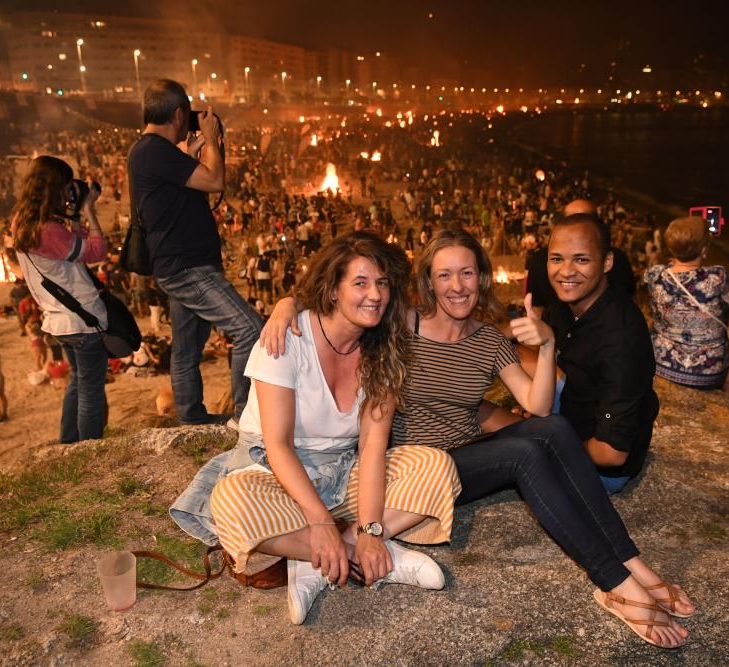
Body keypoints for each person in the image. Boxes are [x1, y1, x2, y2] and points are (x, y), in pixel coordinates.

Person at [263, 230, 694, 648]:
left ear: (482, 278)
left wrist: (546, 349)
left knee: (556, 428)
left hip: (467, 458)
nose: (456, 286)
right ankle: (614, 581)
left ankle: (630, 562)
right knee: (526, 453)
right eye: (444, 274)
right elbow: (346, 296)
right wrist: (285, 305)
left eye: (467, 273)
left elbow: (538, 406)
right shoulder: (402, 323)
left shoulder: (489, 340)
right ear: (428, 281)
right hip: (417, 469)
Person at [209, 232, 461, 625]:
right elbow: (278, 445)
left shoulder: (384, 350)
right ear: (332, 290)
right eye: (360, 283)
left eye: (382, 283)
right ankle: (353, 555)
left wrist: (371, 530)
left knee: (436, 468)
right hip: (276, 471)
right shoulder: (288, 337)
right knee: (230, 502)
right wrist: (321, 520)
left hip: (342, 471)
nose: (374, 294)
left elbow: (373, 450)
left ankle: (326, 553)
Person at [128, 79, 262, 426]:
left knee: (186, 349)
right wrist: (214, 141)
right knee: (250, 330)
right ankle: (245, 417)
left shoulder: (152, 153)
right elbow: (215, 180)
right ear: (178, 114)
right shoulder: (154, 150)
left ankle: (190, 417)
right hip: (188, 267)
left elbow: (175, 193)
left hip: (180, 265)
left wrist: (190, 153)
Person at [543, 213, 659, 495]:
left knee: (513, 454)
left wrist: (554, 444)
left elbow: (612, 453)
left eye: (581, 260)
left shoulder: (621, 338)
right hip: (576, 407)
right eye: (557, 259)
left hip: (602, 467)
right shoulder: (569, 303)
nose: (566, 271)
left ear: (607, 262)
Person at [12, 156, 107, 443]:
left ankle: (69, 444)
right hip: (81, 321)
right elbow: (96, 251)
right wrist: (89, 211)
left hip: (58, 321)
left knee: (77, 384)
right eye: (67, 186)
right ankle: (89, 449)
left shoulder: (23, 222)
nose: (70, 192)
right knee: (90, 389)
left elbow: (73, 250)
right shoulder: (49, 230)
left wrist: (74, 218)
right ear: (55, 187)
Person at [645, 216, 729, 396]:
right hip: (709, 373)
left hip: (662, 363)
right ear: (704, 250)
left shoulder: (654, 275)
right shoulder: (718, 276)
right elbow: (726, 308)